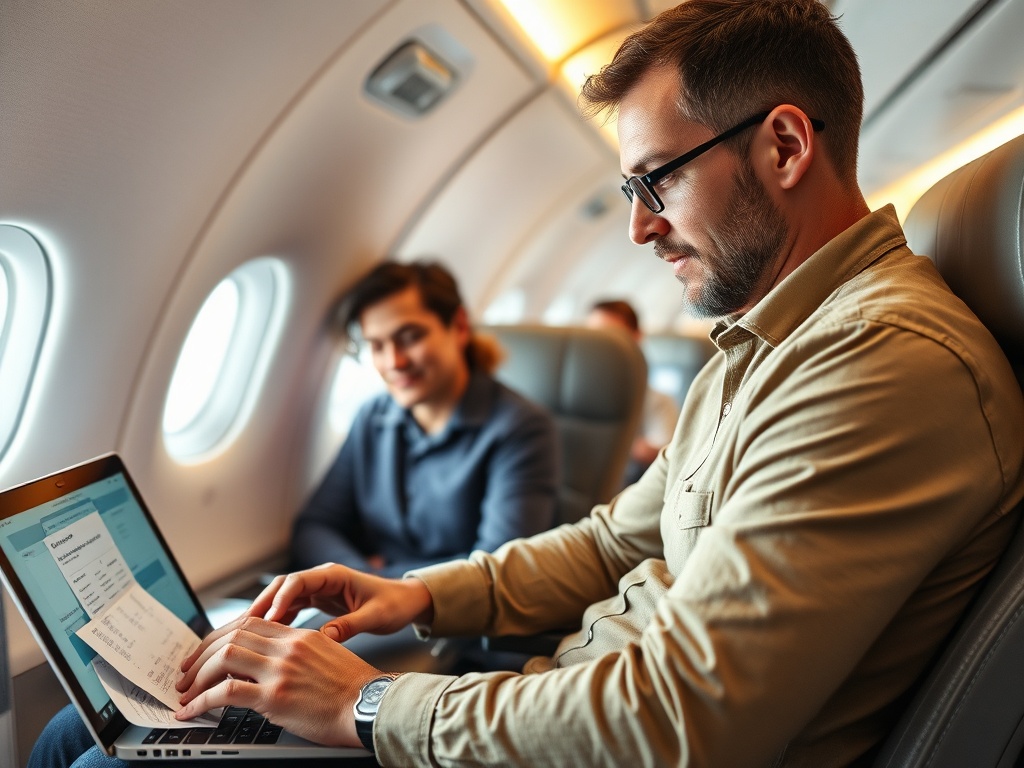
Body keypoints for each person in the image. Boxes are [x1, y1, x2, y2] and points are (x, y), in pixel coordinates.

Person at [33, 1, 1024, 766]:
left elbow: (678, 721)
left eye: (655, 182)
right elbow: (613, 539)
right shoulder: (767, 345)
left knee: (98, 751)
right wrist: (416, 596)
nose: (638, 228)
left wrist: (362, 703)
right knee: (82, 732)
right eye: (629, 194)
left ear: (784, 146)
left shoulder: (880, 365)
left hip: (598, 736)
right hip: (557, 703)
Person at [290, 259, 559, 577]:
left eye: (410, 337)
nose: (394, 361)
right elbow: (314, 528)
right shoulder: (372, 418)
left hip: (459, 618)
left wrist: (377, 583)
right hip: (373, 608)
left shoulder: (521, 429)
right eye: (376, 346)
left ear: (458, 327)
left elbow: (495, 572)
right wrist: (361, 576)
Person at [585, 298, 681, 485]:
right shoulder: (579, 395)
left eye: (611, 336)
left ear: (636, 337)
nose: (601, 346)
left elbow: (663, 455)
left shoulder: (657, 399)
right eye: (594, 337)